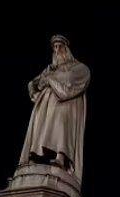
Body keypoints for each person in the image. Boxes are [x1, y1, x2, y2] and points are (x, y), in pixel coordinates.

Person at [19, 35, 91, 181]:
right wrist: (41, 82)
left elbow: (70, 82)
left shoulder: (79, 68)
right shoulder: (49, 69)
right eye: (55, 47)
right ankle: (35, 155)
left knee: (61, 128)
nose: (57, 50)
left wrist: (51, 79)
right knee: (40, 127)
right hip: (45, 105)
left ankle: (61, 157)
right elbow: (33, 84)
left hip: (66, 104)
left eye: (60, 47)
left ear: (67, 49)